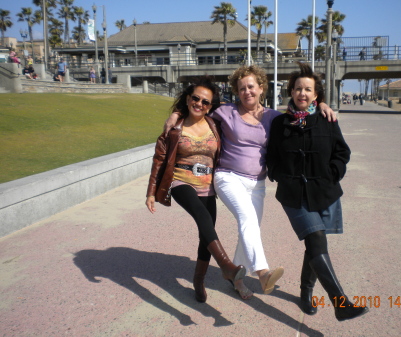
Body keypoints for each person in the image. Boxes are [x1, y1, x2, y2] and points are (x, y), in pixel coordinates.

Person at [165, 65, 337, 299]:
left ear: (261, 88)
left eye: (251, 86)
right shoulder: (225, 111)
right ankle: (263, 272)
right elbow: (196, 107)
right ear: (237, 91)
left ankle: (236, 279)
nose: (247, 91)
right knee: (246, 218)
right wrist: (176, 114)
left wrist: (323, 105)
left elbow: (303, 113)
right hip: (228, 177)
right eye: (242, 88)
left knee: (250, 230)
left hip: (257, 183)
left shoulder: (275, 118)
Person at [266, 62, 369, 322]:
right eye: (298, 88)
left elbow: (342, 152)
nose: (302, 93)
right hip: (293, 194)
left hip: (324, 191)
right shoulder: (279, 122)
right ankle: (341, 302)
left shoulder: (326, 118)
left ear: (316, 95)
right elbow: (272, 155)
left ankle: (305, 292)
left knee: (314, 244)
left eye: (308, 89)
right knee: (315, 240)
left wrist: (333, 173)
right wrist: (279, 174)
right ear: (291, 91)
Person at [146, 75, 247, 303]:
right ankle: (226, 266)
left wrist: (319, 102)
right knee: (201, 215)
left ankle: (198, 279)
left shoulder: (215, 123)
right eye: (195, 98)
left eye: (205, 102)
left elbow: (241, 110)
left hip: (208, 185)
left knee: (206, 233)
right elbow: (160, 158)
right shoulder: (176, 126)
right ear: (188, 98)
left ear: (211, 106)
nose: (199, 104)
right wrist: (151, 191)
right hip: (181, 180)